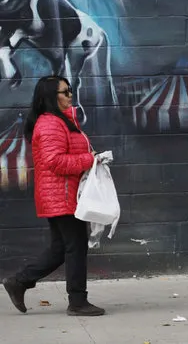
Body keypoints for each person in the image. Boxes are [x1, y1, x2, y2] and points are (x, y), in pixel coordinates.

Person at [2, 76, 104, 316]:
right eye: (64, 91)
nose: (70, 94)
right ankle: (78, 302)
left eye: (70, 90)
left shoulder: (63, 121)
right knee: (76, 247)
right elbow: (54, 161)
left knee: (61, 248)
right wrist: (90, 160)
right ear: (50, 97)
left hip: (63, 194)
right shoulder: (50, 124)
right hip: (62, 196)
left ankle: (19, 282)